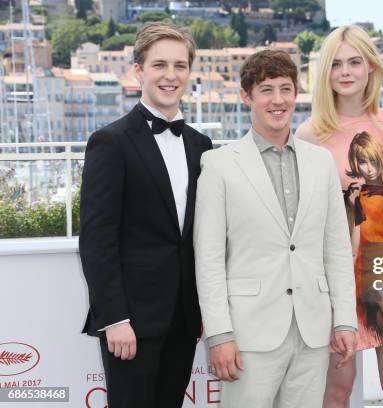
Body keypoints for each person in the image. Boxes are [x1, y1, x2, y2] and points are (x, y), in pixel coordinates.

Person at [193, 49, 358, 408]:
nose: (278, 100)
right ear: (246, 96)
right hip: (249, 333)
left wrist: (345, 320)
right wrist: (220, 334)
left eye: (286, 88)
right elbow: (208, 260)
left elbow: (336, 250)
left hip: (313, 329)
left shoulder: (321, 162)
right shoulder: (218, 165)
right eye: (266, 90)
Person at [79, 22, 213, 408]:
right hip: (131, 322)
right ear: (138, 71)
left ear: (189, 72)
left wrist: (203, 310)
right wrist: (114, 318)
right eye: (159, 65)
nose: (170, 76)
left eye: (179, 65)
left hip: (184, 319)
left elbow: (198, 234)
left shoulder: (201, 145)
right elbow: (97, 238)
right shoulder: (110, 142)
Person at [296, 25, 383, 408]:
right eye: (335, 64)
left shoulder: (382, 122)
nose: (345, 72)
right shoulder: (309, 134)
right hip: (337, 275)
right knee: (337, 389)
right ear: (325, 73)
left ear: (370, 68)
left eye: (354, 62)